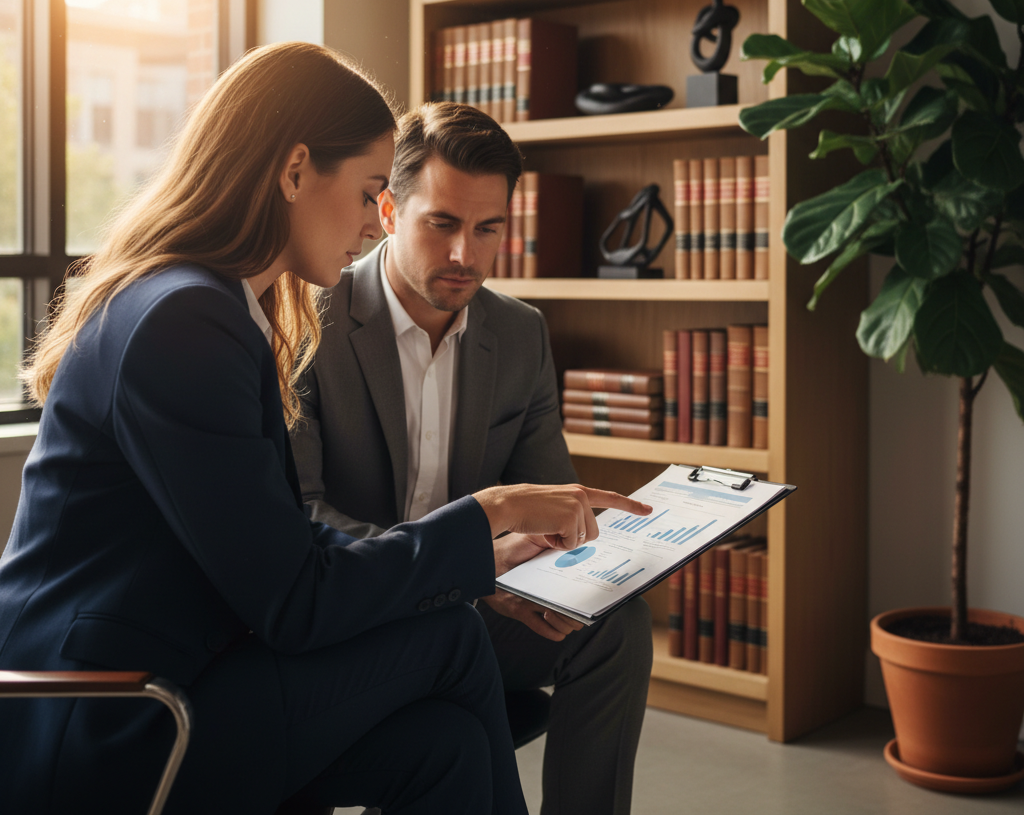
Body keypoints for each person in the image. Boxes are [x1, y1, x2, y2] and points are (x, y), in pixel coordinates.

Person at [0, 43, 651, 815]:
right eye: (370, 191)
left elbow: (279, 555)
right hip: (119, 714)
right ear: (295, 170)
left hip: (189, 671)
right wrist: (486, 517)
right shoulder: (184, 320)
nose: (371, 226)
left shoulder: (209, 306)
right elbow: (294, 595)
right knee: (450, 638)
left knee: (444, 745)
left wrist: (486, 540)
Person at [292, 101, 655, 815]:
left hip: (476, 599)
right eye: (443, 224)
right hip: (357, 610)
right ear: (390, 210)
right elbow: (299, 513)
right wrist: (461, 567)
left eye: (488, 229)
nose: (466, 254)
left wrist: (575, 556)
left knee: (617, 624)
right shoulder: (310, 317)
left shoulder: (519, 334)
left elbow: (550, 500)